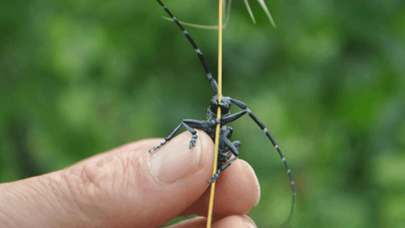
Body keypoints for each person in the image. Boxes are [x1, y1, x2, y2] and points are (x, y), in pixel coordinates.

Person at [0, 130, 260, 227]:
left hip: (215, 166)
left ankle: (213, 167)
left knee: (233, 156)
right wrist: (169, 144)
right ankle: (172, 145)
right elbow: (188, 124)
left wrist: (217, 170)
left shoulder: (225, 134)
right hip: (199, 165)